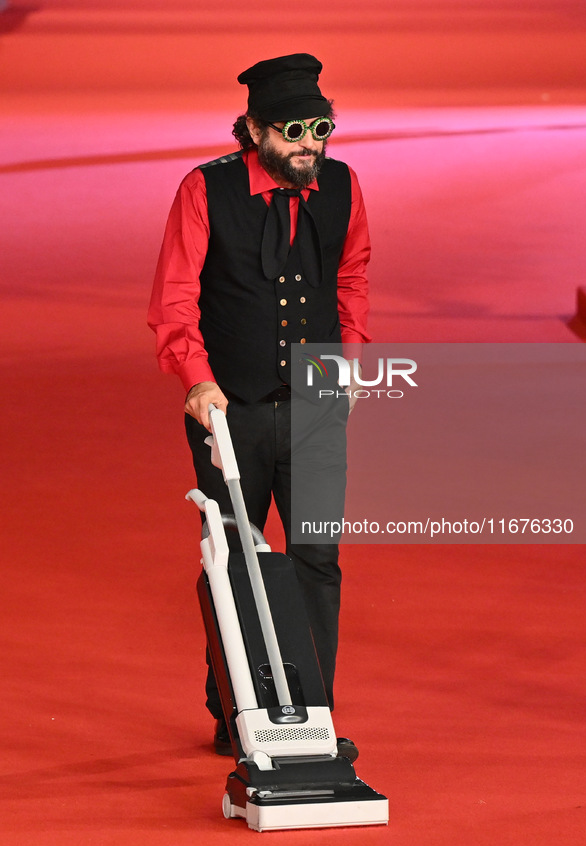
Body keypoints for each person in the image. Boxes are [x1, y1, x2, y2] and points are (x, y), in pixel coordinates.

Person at [148, 53, 371, 754]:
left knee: (315, 559)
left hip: (314, 409)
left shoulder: (340, 185)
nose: (310, 146)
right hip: (231, 407)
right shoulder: (204, 189)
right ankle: (238, 712)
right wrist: (195, 379)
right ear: (253, 129)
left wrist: (347, 360)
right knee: (234, 558)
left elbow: (352, 275)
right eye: (294, 132)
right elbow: (174, 296)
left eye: (322, 130)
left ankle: (314, 716)